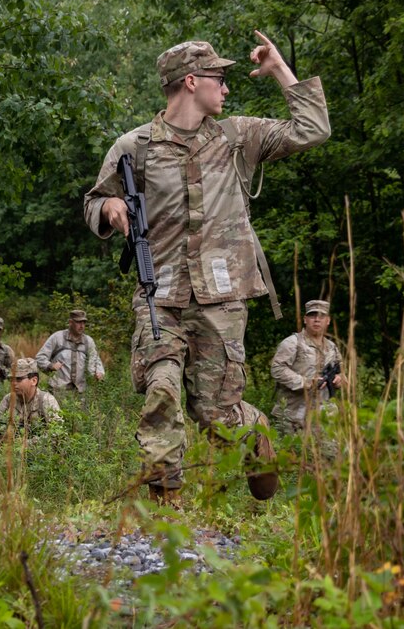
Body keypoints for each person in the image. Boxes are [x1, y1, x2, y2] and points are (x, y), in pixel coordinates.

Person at [83, 31, 331, 504]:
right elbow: (93, 202)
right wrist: (111, 208)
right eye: (219, 78)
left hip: (223, 298)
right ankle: (165, 501)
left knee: (214, 414)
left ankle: (252, 427)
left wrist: (280, 69)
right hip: (160, 294)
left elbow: (313, 129)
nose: (227, 88)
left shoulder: (238, 137)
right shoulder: (134, 147)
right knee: (161, 389)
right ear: (191, 82)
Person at [270, 299, 345, 436]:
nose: (317, 320)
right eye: (312, 315)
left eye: (321, 316)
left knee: (326, 456)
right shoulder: (293, 343)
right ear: (305, 319)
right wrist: (306, 382)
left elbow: (343, 372)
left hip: (323, 417)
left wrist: (340, 379)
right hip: (293, 416)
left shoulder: (332, 347)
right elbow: (277, 369)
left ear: (327, 321)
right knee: (291, 455)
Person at [35, 309, 105, 406]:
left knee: (79, 420)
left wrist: (99, 372)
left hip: (81, 393)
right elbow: (40, 357)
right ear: (70, 322)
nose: (82, 326)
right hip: (58, 392)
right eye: (78, 322)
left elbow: (96, 360)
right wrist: (50, 366)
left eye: (84, 322)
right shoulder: (57, 337)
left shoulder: (88, 341)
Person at [0, 358, 62, 428]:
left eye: (19, 379)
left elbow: (57, 432)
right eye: (11, 379)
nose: (13, 383)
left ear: (34, 381)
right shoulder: (8, 399)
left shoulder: (46, 400)